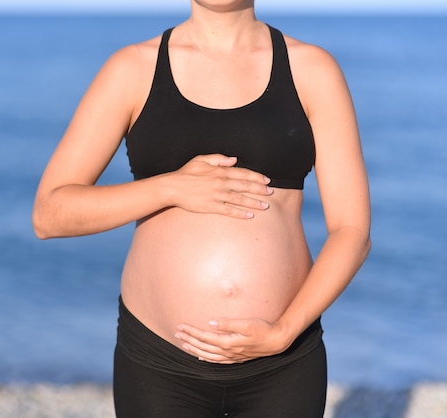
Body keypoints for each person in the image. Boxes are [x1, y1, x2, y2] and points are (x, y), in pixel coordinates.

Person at [33, 0, 371, 416]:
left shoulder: (312, 69)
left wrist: (283, 332)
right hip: (159, 362)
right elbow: (50, 214)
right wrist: (170, 188)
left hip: (285, 360)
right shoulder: (132, 68)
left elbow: (351, 231)